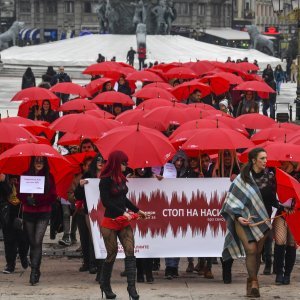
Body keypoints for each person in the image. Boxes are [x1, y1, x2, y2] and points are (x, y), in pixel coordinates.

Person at [220, 148, 286, 298]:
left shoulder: (270, 177)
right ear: (253, 160)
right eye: (262, 158)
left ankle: (251, 282)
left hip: (263, 219)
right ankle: (255, 282)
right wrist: (237, 217)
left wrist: (284, 207)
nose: (265, 161)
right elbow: (231, 201)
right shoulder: (242, 178)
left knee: (257, 253)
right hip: (243, 220)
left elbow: (272, 200)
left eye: (266, 158)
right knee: (250, 250)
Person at [99, 150, 147, 299]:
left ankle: (131, 289)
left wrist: (138, 210)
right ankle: (105, 285)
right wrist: (123, 212)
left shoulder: (121, 179)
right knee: (111, 254)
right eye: (123, 162)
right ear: (116, 163)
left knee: (130, 251)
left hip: (123, 221)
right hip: (110, 222)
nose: (126, 165)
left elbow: (124, 199)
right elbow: (106, 202)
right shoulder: (105, 180)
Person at [18, 156, 57, 285]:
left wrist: (39, 201)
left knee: (37, 241)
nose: (39, 163)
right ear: (33, 162)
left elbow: (53, 195)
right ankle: (35, 268)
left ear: (45, 163)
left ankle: (34, 270)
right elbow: (19, 192)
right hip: (28, 212)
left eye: (41, 161)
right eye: (36, 160)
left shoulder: (49, 177)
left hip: (43, 212)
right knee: (31, 241)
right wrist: (26, 199)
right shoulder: (25, 175)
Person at [75, 154, 105, 281]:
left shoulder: (109, 175)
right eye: (98, 160)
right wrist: (81, 185)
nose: (100, 162)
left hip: (106, 212)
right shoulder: (88, 175)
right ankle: (98, 268)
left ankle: (103, 270)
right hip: (91, 212)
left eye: (103, 161)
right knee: (95, 240)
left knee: (105, 240)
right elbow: (78, 195)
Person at [1, 174, 29, 274]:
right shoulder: (3, 173)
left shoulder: (24, 172)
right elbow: (6, 193)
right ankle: (10, 264)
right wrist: (4, 181)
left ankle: (23, 256)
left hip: (22, 210)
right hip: (7, 212)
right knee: (9, 239)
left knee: (23, 238)